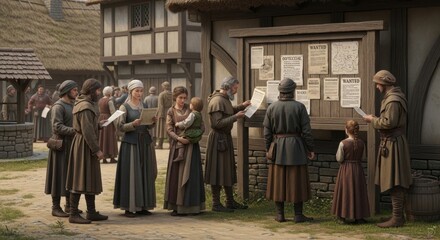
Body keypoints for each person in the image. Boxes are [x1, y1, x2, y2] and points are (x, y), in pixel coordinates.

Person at [363, 70, 412, 228]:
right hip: (392, 142)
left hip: (393, 143)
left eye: (378, 84)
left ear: (384, 84)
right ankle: (398, 216)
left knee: (396, 180)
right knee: (394, 178)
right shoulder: (393, 97)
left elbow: (388, 123)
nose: (377, 87)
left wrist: (372, 120)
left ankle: (398, 218)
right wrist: (376, 119)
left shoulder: (392, 100)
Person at [263, 78, 315, 223]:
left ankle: (280, 215)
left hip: (278, 147)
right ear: (293, 91)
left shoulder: (272, 108)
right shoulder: (299, 107)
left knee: (278, 181)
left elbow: (267, 133)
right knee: (297, 181)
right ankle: (298, 215)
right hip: (296, 148)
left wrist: (268, 149)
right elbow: (307, 131)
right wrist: (310, 149)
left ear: (280, 92)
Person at [205, 76, 251, 212]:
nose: (236, 91)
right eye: (235, 88)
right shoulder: (217, 101)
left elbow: (228, 111)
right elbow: (217, 123)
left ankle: (230, 201)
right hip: (218, 140)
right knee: (217, 170)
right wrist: (236, 117)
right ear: (228, 87)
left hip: (224, 138)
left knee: (227, 169)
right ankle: (216, 203)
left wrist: (242, 106)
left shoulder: (224, 99)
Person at [66, 78, 108, 224]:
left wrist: (99, 125)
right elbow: (87, 131)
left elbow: (90, 125)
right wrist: (97, 150)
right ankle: (73, 213)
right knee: (79, 178)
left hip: (85, 144)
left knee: (89, 177)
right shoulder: (84, 106)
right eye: (97, 90)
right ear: (91, 91)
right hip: (83, 145)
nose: (99, 92)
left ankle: (91, 211)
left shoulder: (87, 104)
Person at [113, 80, 157, 218]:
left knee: (144, 173)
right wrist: (132, 124)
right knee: (132, 174)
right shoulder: (123, 107)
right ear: (130, 91)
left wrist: (152, 122)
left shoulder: (144, 105)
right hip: (131, 144)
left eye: (141, 90)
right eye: (136, 91)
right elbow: (119, 127)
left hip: (144, 143)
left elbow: (147, 125)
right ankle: (129, 206)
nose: (139, 93)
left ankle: (143, 205)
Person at [164, 86, 206, 216]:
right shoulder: (171, 111)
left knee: (191, 176)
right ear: (175, 98)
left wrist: (193, 137)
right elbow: (169, 129)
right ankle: (177, 207)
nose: (182, 100)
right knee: (176, 177)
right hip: (178, 147)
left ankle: (193, 207)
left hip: (191, 147)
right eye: (180, 98)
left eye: (184, 98)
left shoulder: (192, 109)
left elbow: (202, 126)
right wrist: (179, 139)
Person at [44, 80, 79, 218]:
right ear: (67, 91)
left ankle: (69, 205)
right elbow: (57, 126)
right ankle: (55, 207)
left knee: (69, 175)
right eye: (74, 90)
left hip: (71, 144)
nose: (77, 92)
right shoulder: (58, 106)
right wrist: (75, 131)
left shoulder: (72, 104)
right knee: (58, 175)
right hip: (60, 145)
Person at [331, 120, 370, 224]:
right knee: (358, 191)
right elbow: (364, 157)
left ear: (346, 130)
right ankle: (359, 217)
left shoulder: (343, 143)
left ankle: (342, 217)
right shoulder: (362, 143)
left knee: (345, 191)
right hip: (358, 169)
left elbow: (339, 158)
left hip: (346, 170)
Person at [173, 97, 204, 162]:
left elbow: (187, 123)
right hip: (197, 132)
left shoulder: (192, 114)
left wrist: (178, 124)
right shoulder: (199, 114)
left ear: (193, 106)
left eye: (191, 104)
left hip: (191, 131)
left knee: (181, 139)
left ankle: (180, 155)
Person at [98, 86, 118, 164]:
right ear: (110, 93)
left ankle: (104, 158)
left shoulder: (100, 100)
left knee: (102, 138)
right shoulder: (109, 101)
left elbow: (99, 110)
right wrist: (116, 125)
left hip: (101, 118)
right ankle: (112, 157)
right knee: (110, 138)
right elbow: (112, 112)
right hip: (108, 119)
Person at [156, 81, 173, 149]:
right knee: (170, 127)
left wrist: (160, 115)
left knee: (161, 129)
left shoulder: (161, 94)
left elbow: (160, 105)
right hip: (171, 112)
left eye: (162, 86)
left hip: (163, 112)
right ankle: (170, 145)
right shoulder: (172, 94)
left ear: (164, 87)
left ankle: (160, 145)